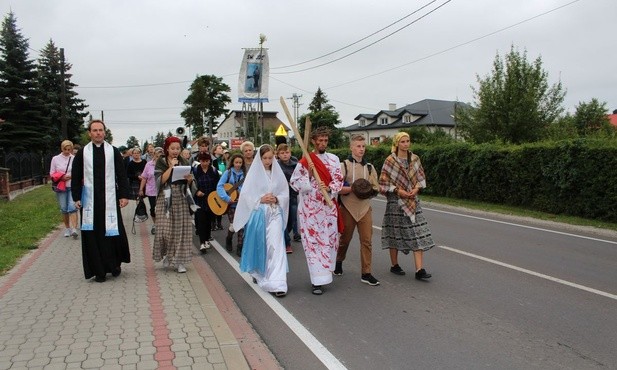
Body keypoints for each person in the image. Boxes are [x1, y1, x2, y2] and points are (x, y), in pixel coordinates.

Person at [71, 120, 131, 283]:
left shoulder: (113, 151)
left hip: (110, 200)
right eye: (94, 130)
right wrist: (76, 197)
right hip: (90, 201)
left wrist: (124, 195)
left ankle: (114, 265)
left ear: (105, 132)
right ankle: (98, 270)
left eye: (100, 130)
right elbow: (75, 176)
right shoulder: (83, 153)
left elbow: (121, 174)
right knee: (93, 235)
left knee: (112, 233)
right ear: (89, 133)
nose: (98, 133)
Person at [290, 127, 344, 295]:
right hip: (310, 210)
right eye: (319, 140)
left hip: (328, 208)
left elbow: (339, 179)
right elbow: (294, 182)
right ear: (313, 141)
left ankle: (326, 274)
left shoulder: (334, 159)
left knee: (329, 242)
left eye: (325, 140)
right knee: (314, 245)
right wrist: (309, 177)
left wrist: (329, 188)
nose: (323, 143)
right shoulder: (305, 161)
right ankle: (316, 281)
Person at [234, 145, 289, 297]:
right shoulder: (254, 174)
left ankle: (278, 282)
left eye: (270, 158)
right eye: (265, 158)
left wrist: (277, 198)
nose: (267, 161)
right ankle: (258, 271)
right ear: (260, 158)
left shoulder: (278, 174)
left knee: (275, 245)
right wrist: (260, 199)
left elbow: (285, 192)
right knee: (260, 245)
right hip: (259, 214)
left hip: (275, 213)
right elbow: (246, 195)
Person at [379, 132, 435, 280]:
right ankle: (394, 265)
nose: (406, 144)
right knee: (395, 232)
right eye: (402, 141)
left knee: (418, 232)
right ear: (397, 143)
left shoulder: (415, 159)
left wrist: (416, 189)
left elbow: (420, 178)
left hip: (413, 201)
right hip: (395, 202)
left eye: (408, 141)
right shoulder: (390, 160)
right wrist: (398, 191)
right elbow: (383, 182)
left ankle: (419, 270)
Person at [335, 135, 380, 286]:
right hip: (348, 207)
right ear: (351, 148)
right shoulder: (344, 165)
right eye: (358, 146)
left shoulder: (369, 167)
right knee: (345, 239)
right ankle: (338, 261)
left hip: (365, 207)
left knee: (367, 240)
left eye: (363, 146)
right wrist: (352, 188)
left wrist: (369, 191)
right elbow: (336, 188)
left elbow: (376, 187)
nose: (361, 149)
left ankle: (366, 273)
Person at [152, 137, 195, 273]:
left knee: (180, 231)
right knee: (165, 231)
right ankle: (168, 255)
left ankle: (179, 261)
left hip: (181, 197)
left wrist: (189, 180)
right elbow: (159, 181)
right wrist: (171, 167)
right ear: (167, 149)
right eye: (173, 148)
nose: (175, 151)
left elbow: (189, 183)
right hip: (165, 197)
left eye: (178, 148)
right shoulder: (161, 161)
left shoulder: (184, 161)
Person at [216, 153, 246, 256]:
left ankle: (240, 246)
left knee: (241, 225)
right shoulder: (228, 173)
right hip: (230, 204)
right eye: (236, 162)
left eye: (240, 162)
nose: (238, 164)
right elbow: (220, 186)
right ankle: (229, 238)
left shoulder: (245, 174)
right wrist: (227, 198)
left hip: (241, 204)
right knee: (234, 225)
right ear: (232, 162)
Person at [50, 140, 79, 238]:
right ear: (62, 148)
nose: (67, 151)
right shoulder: (55, 159)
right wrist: (61, 177)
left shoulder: (74, 158)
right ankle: (67, 228)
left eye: (69, 149)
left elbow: (78, 171)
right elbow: (52, 173)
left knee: (72, 207)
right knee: (64, 208)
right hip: (61, 187)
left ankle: (74, 229)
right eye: (65, 149)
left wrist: (71, 176)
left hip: (72, 185)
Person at [192, 152, 220, 252]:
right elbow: (191, 184)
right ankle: (202, 242)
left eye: (207, 161)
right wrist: (196, 192)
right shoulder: (195, 170)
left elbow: (218, 184)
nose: (204, 163)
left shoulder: (213, 170)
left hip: (211, 199)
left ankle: (207, 239)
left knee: (209, 221)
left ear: (209, 161)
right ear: (199, 161)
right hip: (199, 200)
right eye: (203, 161)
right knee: (201, 221)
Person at [276, 143, 300, 253]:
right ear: (278, 154)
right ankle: (287, 243)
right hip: (281, 198)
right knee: (283, 220)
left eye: (287, 152)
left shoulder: (296, 164)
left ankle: (282, 236)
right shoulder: (276, 166)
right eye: (282, 153)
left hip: (293, 196)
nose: (285, 155)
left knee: (292, 220)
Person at [139, 146, 163, 235]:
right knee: (153, 209)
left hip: (163, 191)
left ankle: (162, 226)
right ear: (154, 156)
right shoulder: (149, 165)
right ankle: (155, 224)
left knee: (163, 209)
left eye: (161, 156)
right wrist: (141, 189)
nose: (158, 158)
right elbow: (144, 178)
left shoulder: (165, 165)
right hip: (152, 191)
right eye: (157, 156)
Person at [211, 144, 227, 231]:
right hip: (215, 183)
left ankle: (219, 223)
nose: (221, 150)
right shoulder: (213, 161)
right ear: (215, 151)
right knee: (215, 202)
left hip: (223, 183)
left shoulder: (224, 160)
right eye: (220, 148)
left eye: (222, 148)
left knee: (222, 202)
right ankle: (213, 223)